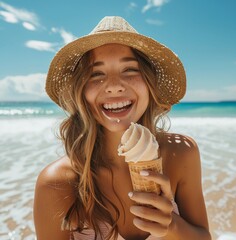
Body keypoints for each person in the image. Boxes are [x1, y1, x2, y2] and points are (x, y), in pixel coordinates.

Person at [34, 16, 211, 240]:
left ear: (149, 84)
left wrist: (171, 226)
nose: (115, 86)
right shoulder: (57, 183)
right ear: (81, 92)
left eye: (130, 70)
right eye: (96, 74)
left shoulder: (181, 153)